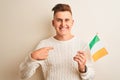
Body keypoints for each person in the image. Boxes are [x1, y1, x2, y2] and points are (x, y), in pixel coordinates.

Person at [19, 3, 95, 80]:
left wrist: (83, 69)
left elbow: (91, 78)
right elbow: (23, 76)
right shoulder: (44, 45)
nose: (63, 24)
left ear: (72, 22)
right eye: (59, 20)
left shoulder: (82, 45)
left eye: (67, 20)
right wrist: (32, 57)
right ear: (53, 23)